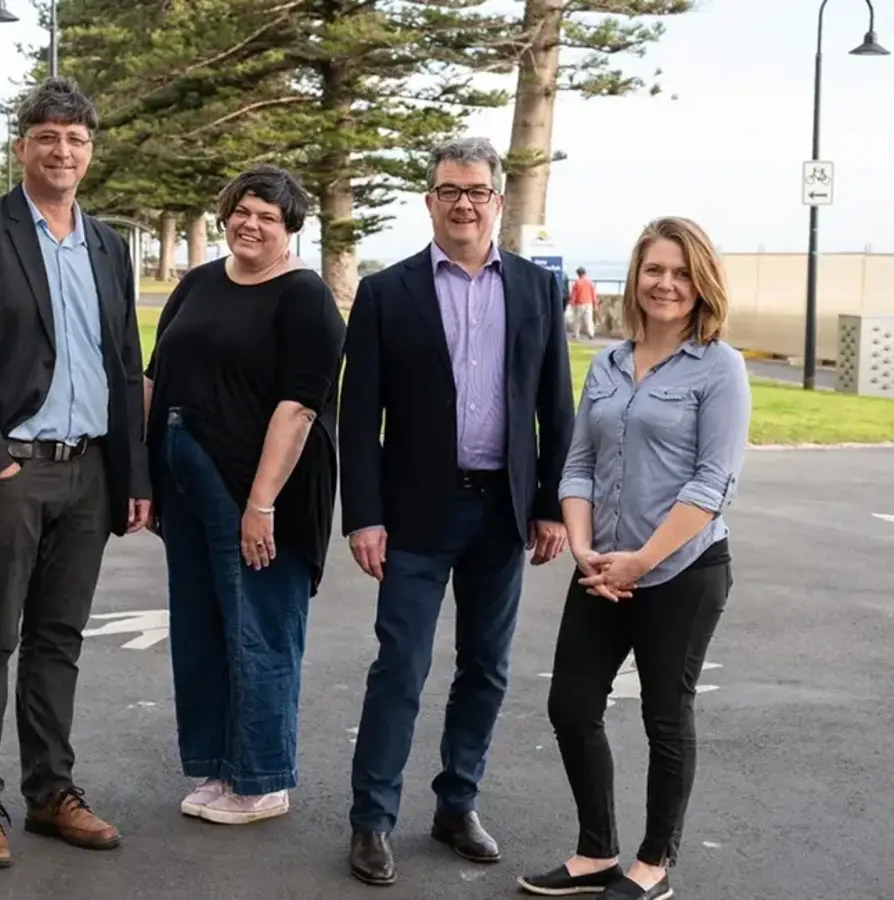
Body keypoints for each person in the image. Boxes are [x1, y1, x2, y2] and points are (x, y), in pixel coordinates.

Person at [0, 76, 151, 869]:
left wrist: (135, 473)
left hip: (89, 471)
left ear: (91, 152)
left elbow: (125, 363)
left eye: (77, 139)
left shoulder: (108, 246)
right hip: (10, 471)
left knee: (58, 639)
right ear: (24, 147)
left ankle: (51, 791)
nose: (62, 151)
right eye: (48, 137)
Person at [338, 137, 575, 887]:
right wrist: (363, 515)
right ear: (430, 200)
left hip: (500, 516)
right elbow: (358, 416)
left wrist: (551, 508)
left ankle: (456, 804)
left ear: (498, 201)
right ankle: (372, 819)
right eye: (449, 190)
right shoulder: (386, 292)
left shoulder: (539, 290)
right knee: (400, 668)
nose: (463, 203)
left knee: (487, 669)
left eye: (476, 191)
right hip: (413, 516)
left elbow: (555, 411)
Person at [518, 217, 750, 900]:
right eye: (655, 270)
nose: (667, 284)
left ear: (701, 281)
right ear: (636, 276)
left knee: (665, 715)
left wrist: (640, 560)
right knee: (571, 706)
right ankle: (596, 852)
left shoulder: (720, 368)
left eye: (681, 273)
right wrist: (587, 552)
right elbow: (580, 464)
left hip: (682, 571)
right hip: (603, 569)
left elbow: (714, 484)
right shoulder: (610, 363)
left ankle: (654, 863)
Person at [143, 165, 346, 826]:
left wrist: (261, 505)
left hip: (260, 493)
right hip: (187, 490)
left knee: (259, 632)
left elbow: (299, 408)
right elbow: (156, 378)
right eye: (242, 210)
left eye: (267, 215)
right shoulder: (199, 283)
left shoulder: (305, 296)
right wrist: (140, 477)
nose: (250, 223)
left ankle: (260, 781)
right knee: (202, 631)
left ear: (290, 229)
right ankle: (217, 765)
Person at [569, 266, 598, 340]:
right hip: (589, 303)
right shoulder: (589, 282)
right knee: (589, 319)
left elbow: (574, 294)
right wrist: (595, 303)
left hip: (579, 303)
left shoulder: (577, 282)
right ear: (584, 273)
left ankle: (576, 334)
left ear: (578, 274)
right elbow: (593, 294)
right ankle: (591, 333)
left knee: (577, 320)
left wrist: (572, 302)